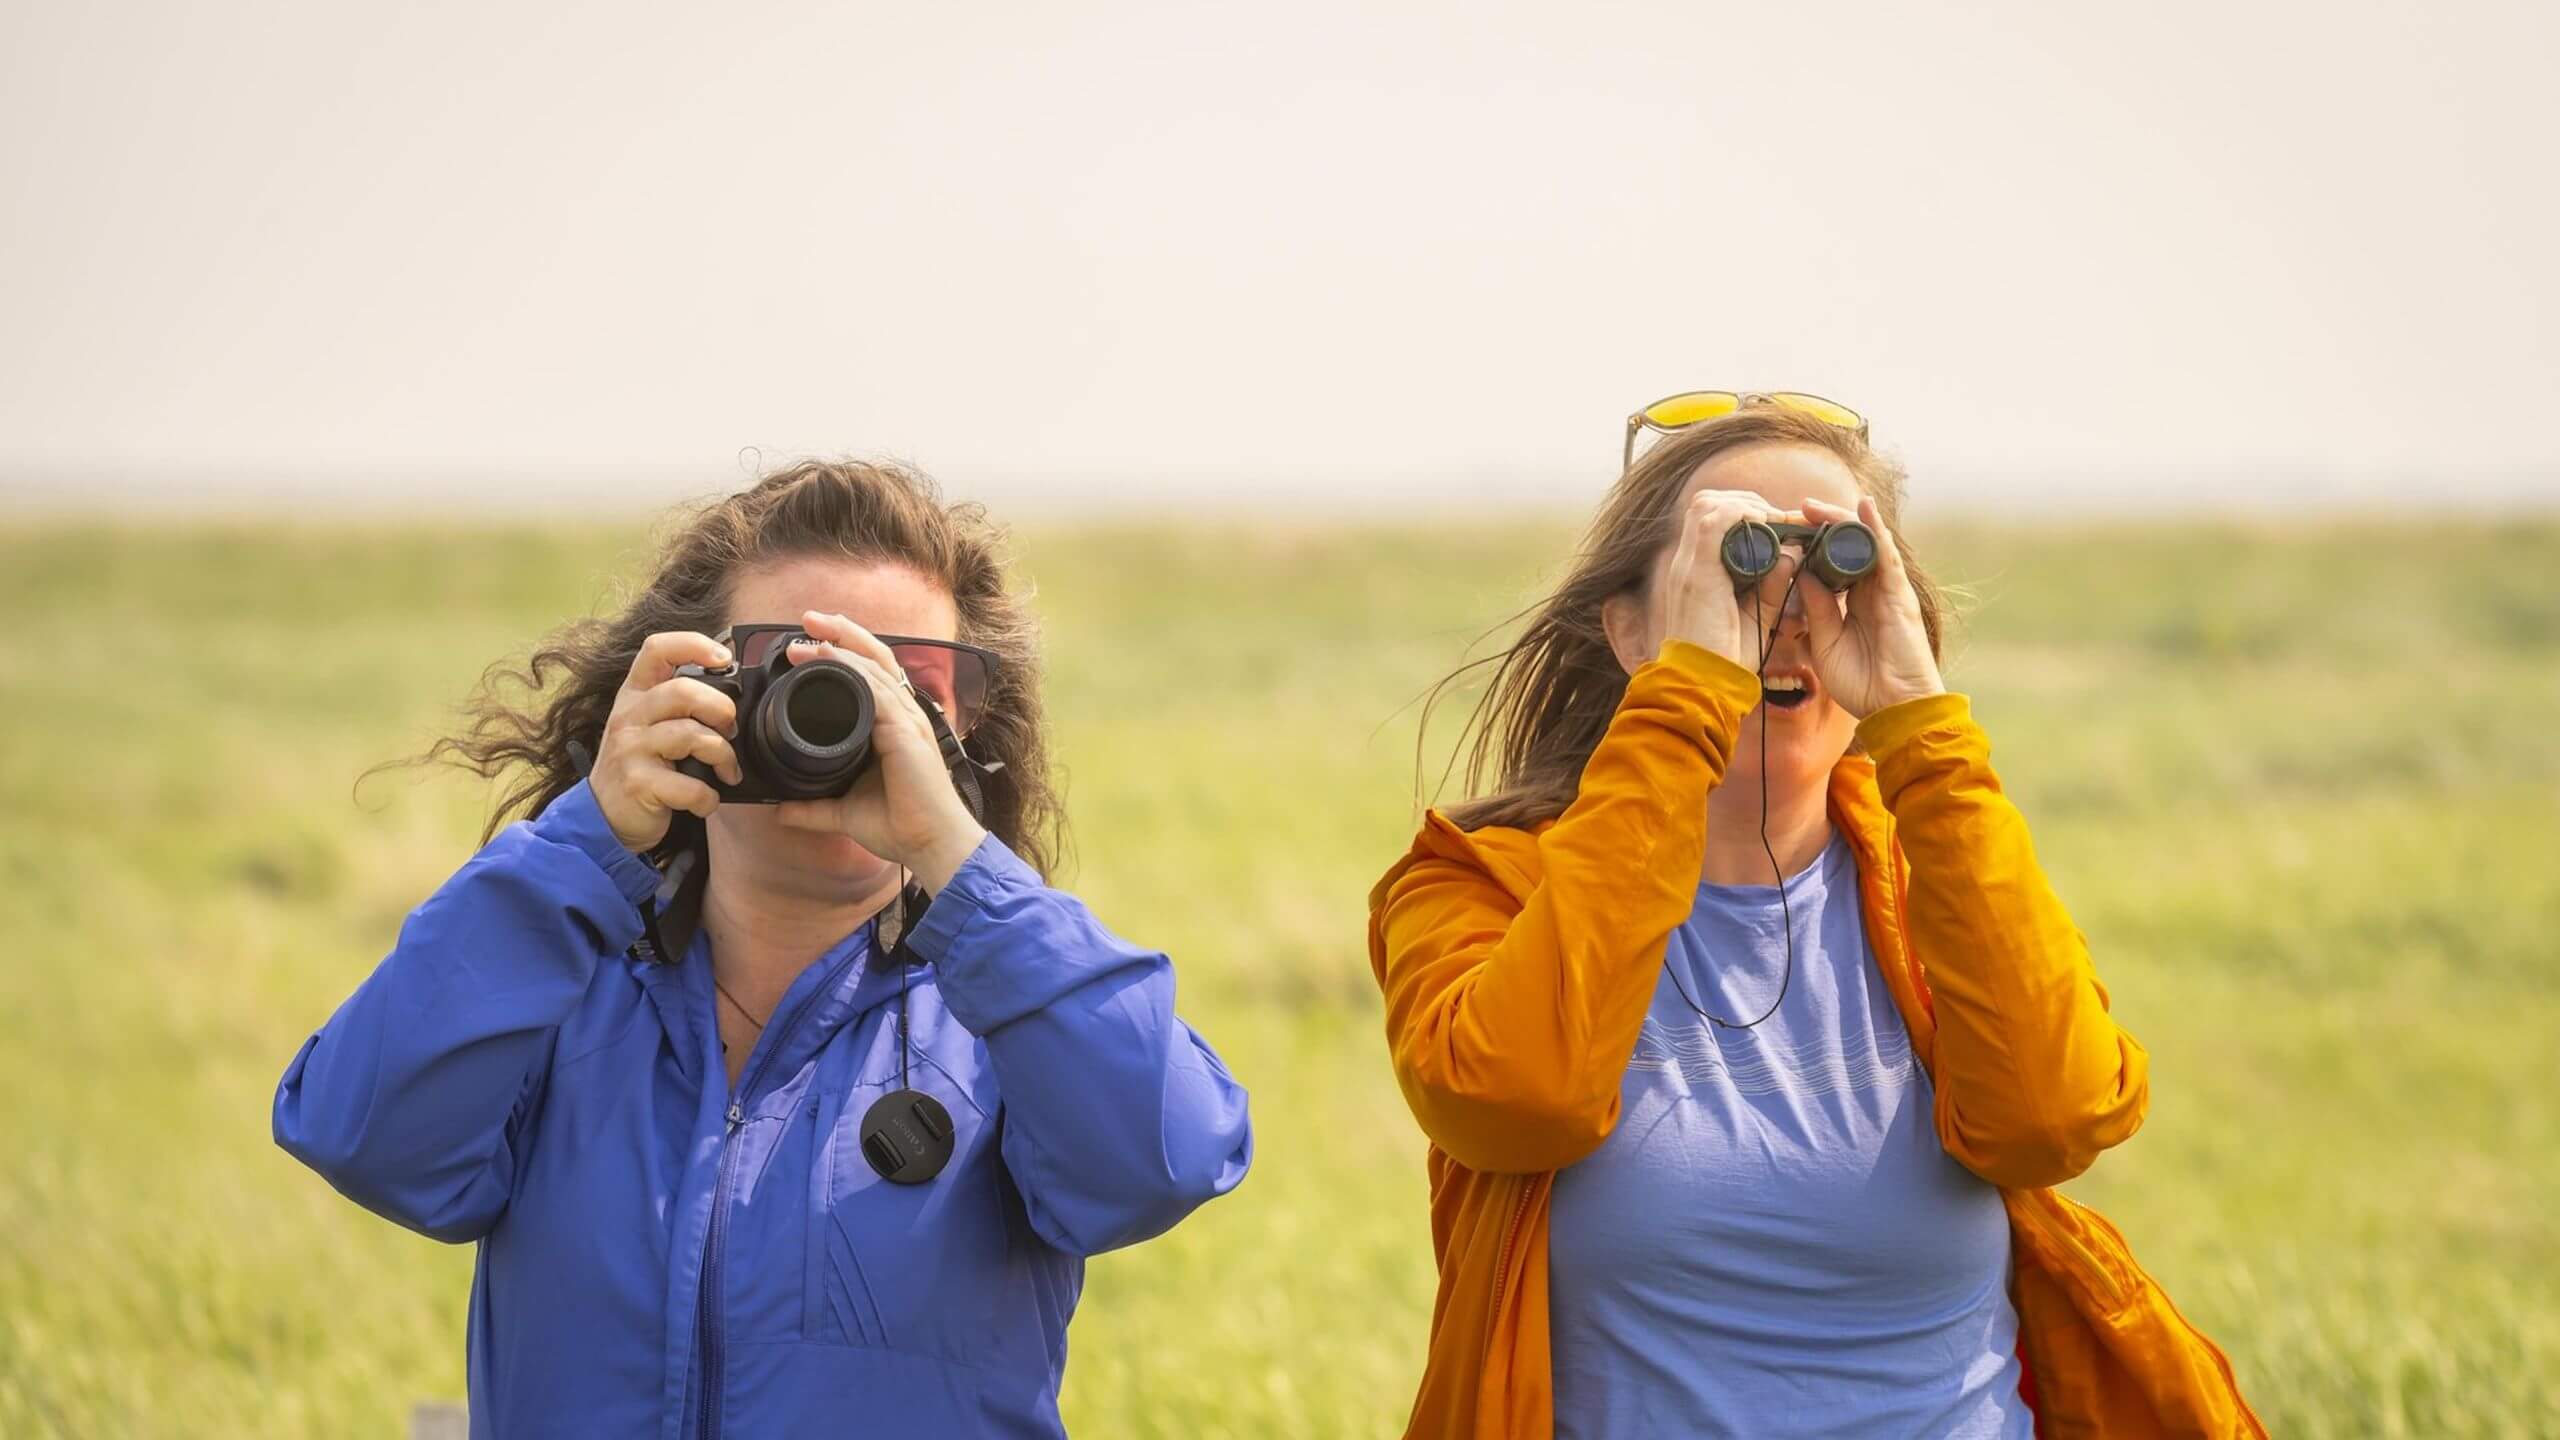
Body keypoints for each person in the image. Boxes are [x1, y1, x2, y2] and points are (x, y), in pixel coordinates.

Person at [276, 459, 1252, 1438]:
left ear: (965, 726)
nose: (849, 715)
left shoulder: (1011, 1008)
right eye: (793, 668)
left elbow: (1166, 1159)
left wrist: (958, 857)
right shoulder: (556, 978)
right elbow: (362, 1137)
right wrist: (587, 841)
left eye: (906, 686)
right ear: (682, 690)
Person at [1368, 395, 2260, 1437]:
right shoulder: (1482, 889)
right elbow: (1519, 1102)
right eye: (1738, 565)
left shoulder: (1941, 874)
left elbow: (2052, 1122)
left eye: (1833, 567)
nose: (1785, 614)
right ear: (1625, 629)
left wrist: (1919, 727)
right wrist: (1688, 696)